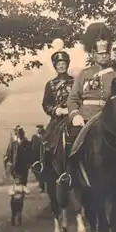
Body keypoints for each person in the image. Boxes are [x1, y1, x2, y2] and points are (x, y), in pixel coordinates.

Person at [67, 22, 116, 130]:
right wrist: (75, 115)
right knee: (74, 140)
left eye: (106, 53)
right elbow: (73, 98)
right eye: (101, 54)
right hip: (87, 118)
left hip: (110, 118)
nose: (104, 56)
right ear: (93, 54)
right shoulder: (84, 74)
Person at [41, 39, 75, 181]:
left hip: (74, 115)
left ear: (67, 65)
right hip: (58, 119)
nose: (61, 66)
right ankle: (44, 166)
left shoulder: (75, 81)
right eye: (59, 64)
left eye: (63, 64)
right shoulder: (50, 84)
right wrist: (56, 110)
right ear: (55, 66)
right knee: (46, 139)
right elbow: (46, 104)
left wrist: (73, 109)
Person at [31, 124, 46, 192]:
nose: (38, 130)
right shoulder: (34, 137)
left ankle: (42, 186)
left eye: (39, 129)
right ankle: (41, 183)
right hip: (36, 157)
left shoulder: (45, 137)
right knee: (36, 171)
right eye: (37, 129)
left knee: (42, 172)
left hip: (43, 157)